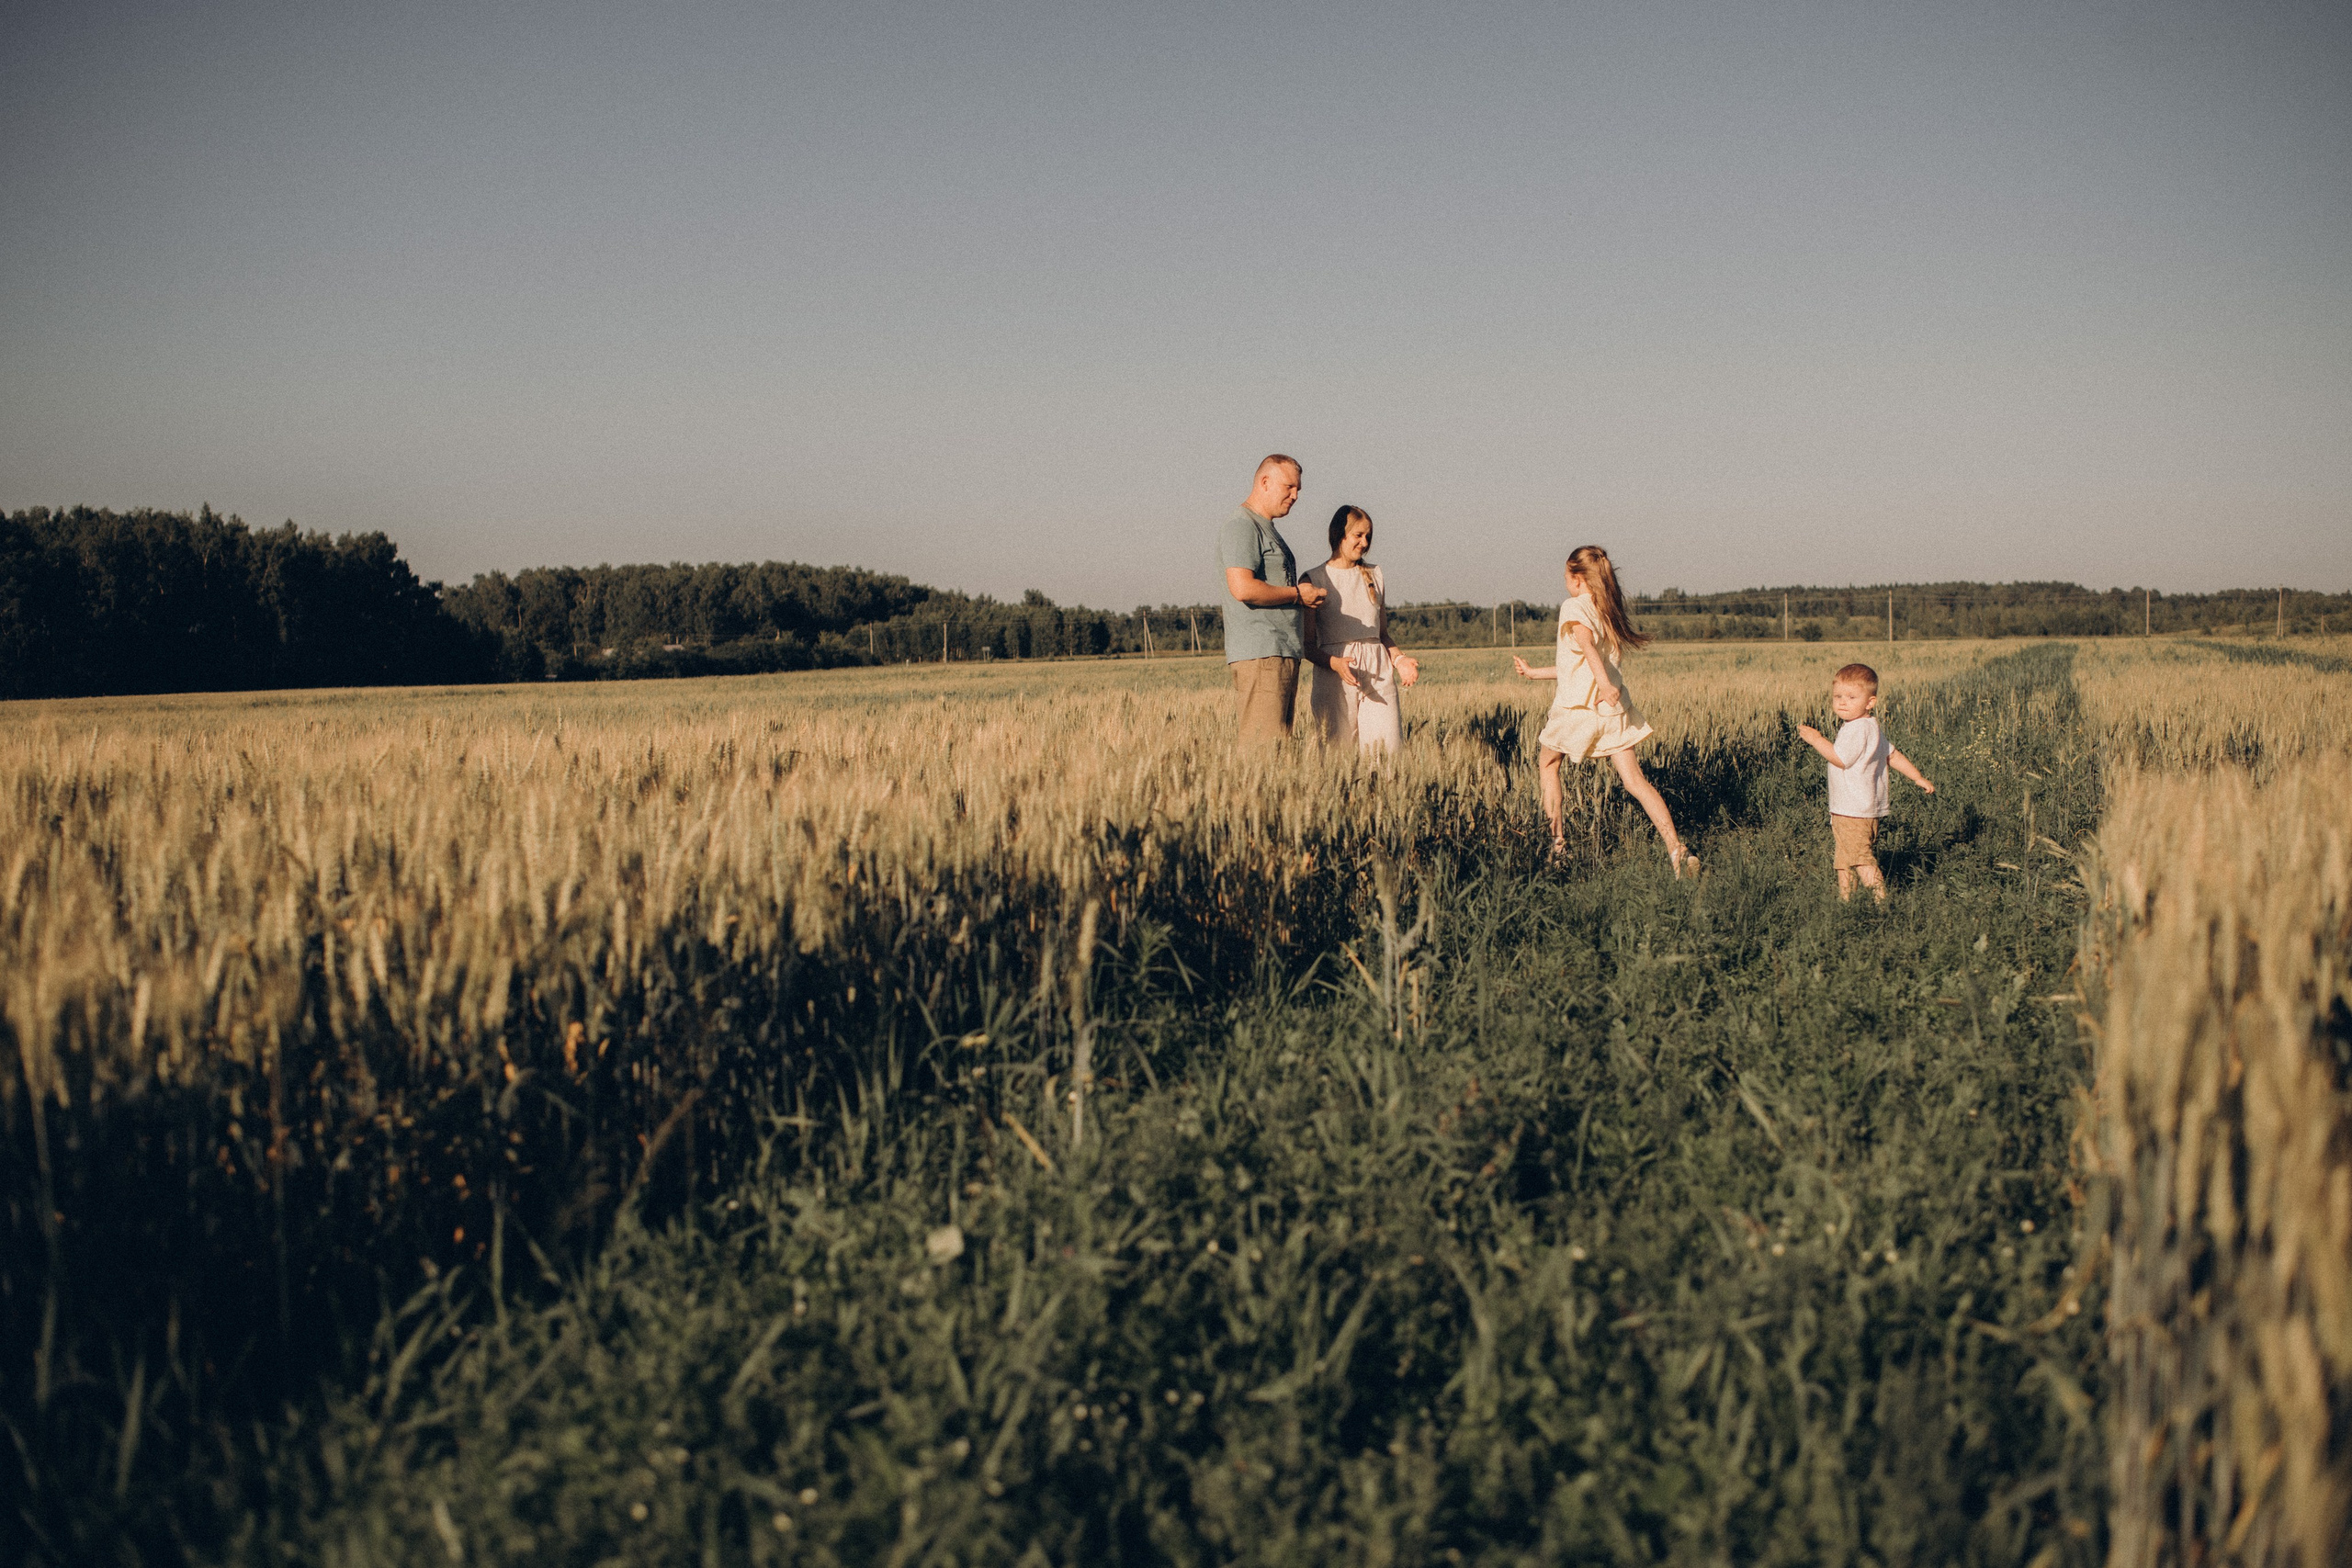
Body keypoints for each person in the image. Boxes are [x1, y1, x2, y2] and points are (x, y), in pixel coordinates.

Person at [1512, 545, 1698, 875]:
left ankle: (1558, 850)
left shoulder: (1574, 606)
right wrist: (1534, 673)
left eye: (1566, 576)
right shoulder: (1607, 610)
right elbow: (1575, 665)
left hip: (1579, 709)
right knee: (1635, 782)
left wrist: (1604, 684)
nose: (1565, 583)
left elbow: (1585, 645)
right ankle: (1676, 850)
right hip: (1612, 709)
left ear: (1578, 578)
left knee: (1547, 765)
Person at [1794, 662, 1935, 901]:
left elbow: (1840, 759)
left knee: (1860, 859)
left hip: (1852, 810)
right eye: (1838, 696)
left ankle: (1882, 902)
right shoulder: (1872, 727)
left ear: (1870, 702)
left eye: (1851, 697)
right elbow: (1892, 755)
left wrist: (1816, 739)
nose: (1842, 702)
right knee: (1845, 859)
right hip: (1863, 809)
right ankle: (1846, 902)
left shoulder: (1855, 729)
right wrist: (1917, 776)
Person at [1217, 454, 1327, 741]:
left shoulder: (1266, 528)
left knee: (1278, 755)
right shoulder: (1243, 526)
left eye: (1298, 490)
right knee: (1262, 756)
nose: (1295, 496)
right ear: (1264, 482)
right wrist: (1297, 595)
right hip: (1262, 653)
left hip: (1280, 652)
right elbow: (1242, 588)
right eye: (1289, 487)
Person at [1303, 505, 1419, 753]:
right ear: (1339, 535)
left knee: (1386, 754)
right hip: (1334, 675)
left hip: (1378, 673)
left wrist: (1400, 660)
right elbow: (1308, 647)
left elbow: (1383, 636)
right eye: (1358, 535)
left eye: (1368, 536)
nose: (1365, 542)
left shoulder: (1375, 574)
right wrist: (1335, 663)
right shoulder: (1313, 578)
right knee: (1336, 758)